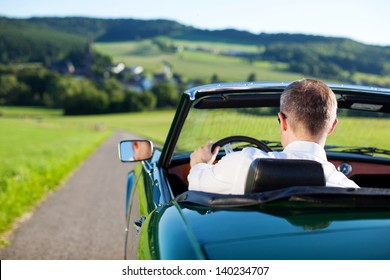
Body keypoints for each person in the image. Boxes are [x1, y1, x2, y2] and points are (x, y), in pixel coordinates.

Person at [187, 78, 360, 194]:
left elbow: (196, 185)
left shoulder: (244, 163)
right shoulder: (347, 190)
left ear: (282, 121)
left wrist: (199, 164)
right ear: (332, 126)